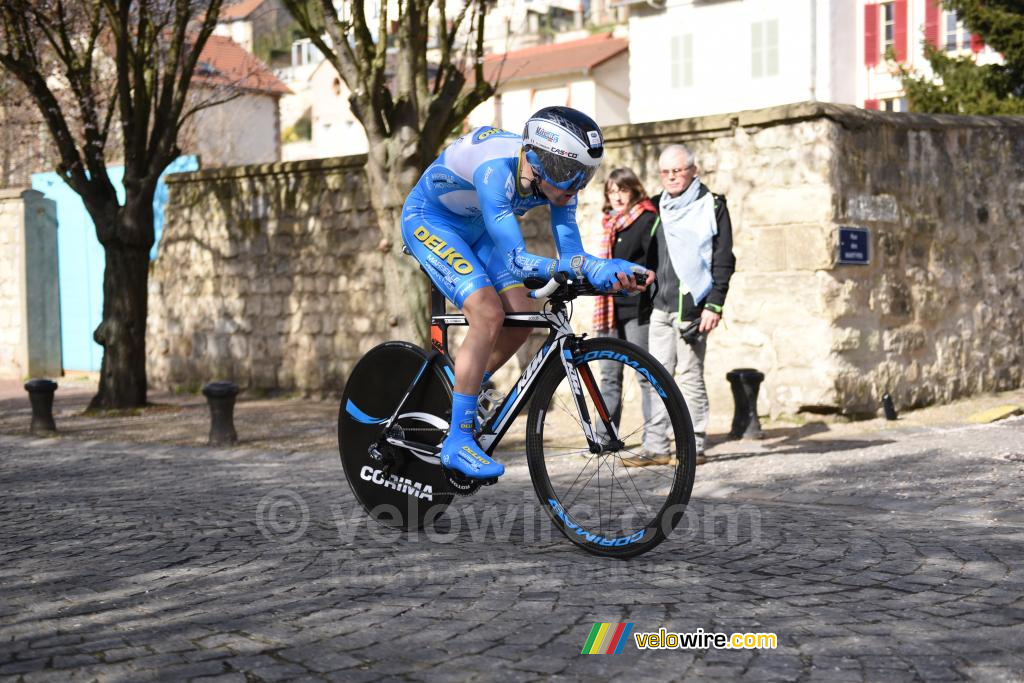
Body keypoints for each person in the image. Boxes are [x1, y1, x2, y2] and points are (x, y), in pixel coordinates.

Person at [401, 107, 655, 480]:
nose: (575, 187)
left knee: (521, 318)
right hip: (431, 220)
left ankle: (456, 395)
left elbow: (573, 258)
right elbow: (519, 261)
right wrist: (584, 268)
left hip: (475, 225)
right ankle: (458, 439)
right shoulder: (495, 172)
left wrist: (608, 272)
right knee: (487, 313)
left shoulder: (558, 184)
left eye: (584, 175)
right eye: (570, 173)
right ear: (537, 160)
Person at [639, 144, 735, 466]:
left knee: (690, 377)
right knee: (655, 376)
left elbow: (723, 258)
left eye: (678, 171)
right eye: (666, 172)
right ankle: (656, 446)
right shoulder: (655, 207)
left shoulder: (712, 205)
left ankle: (693, 446)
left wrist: (715, 305)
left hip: (691, 307)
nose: (671, 177)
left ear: (692, 170)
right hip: (659, 307)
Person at [593, 168, 658, 453]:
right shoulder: (610, 224)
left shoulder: (646, 219)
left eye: (622, 190)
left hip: (636, 309)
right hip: (609, 310)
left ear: (634, 190)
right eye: (612, 190)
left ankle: (655, 442)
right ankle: (604, 440)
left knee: (645, 375)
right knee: (608, 377)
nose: (617, 196)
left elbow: (654, 265)